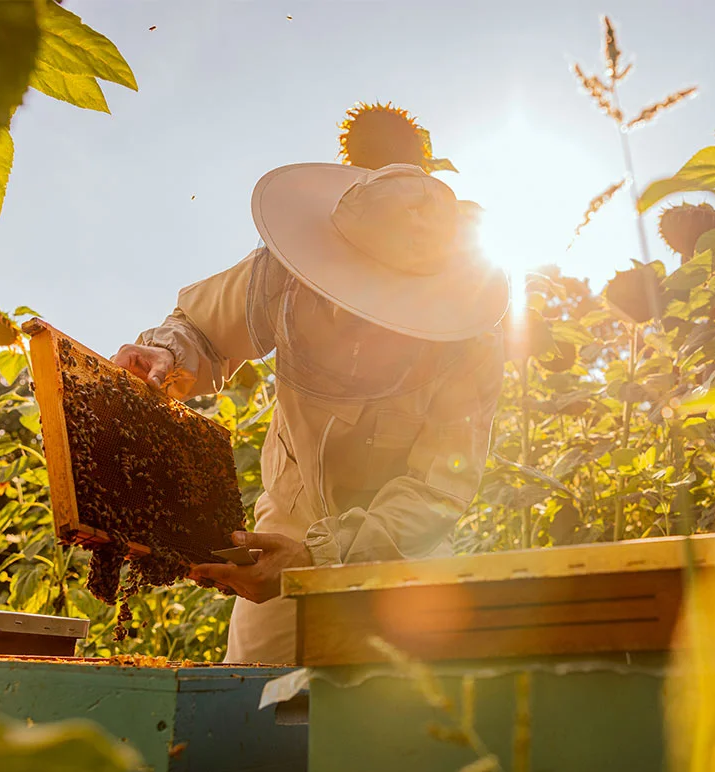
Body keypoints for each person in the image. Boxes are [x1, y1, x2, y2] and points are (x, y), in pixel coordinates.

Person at [112, 162, 509, 664]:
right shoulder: (283, 274)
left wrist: (321, 557)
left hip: (402, 551)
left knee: (407, 717)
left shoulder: (468, 345)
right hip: (286, 524)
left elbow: (435, 490)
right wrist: (168, 354)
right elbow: (202, 327)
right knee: (246, 706)